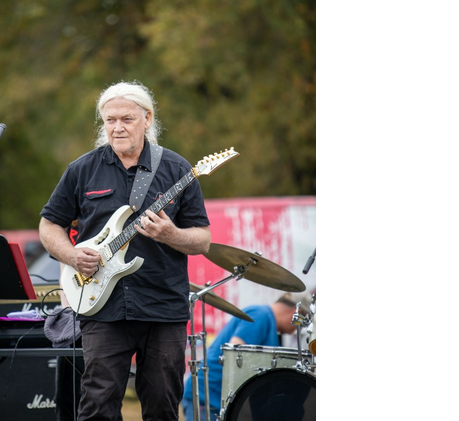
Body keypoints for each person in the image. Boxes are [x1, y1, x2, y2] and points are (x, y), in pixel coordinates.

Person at [39, 80, 211, 420]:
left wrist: (170, 234)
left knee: (162, 406)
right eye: (110, 120)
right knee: (98, 405)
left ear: (147, 119)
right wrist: (72, 255)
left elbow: (202, 239)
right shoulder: (82, 169)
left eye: (127, 119)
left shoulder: (178, 169)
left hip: (162, 305)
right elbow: (49, 225)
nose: (117, 127)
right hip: (101, 308)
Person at [181, 292, 312, 421]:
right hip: (209, 397)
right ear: (297, 313)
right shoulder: (260, 316)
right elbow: (235, 354)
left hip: (219, 399)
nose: (297, 330)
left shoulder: (267, 321)